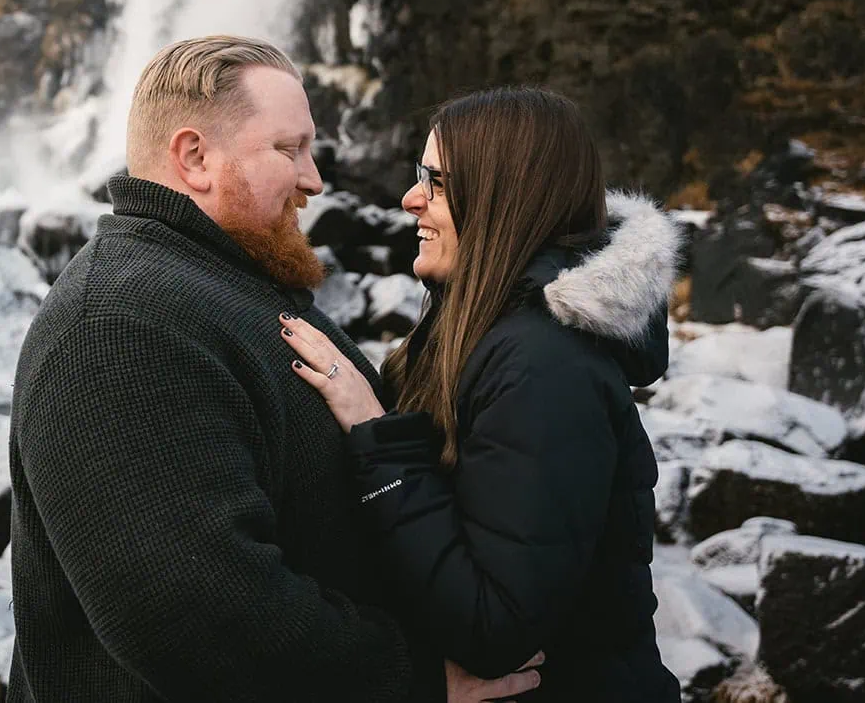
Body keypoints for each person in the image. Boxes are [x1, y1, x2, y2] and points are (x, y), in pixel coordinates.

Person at [7, 37, 541, 702]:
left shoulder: (218, 285)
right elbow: (194, 613)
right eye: (289, 149)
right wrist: (409, 679)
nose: (315, 179)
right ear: (195, 157)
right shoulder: (120, 327)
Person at [281, 87, 683, 700]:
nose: (410, 199)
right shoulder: (480, 334)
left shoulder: (544, 366)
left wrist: (376, 434)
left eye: (436, 182)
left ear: (503, 198)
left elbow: (494, 631)